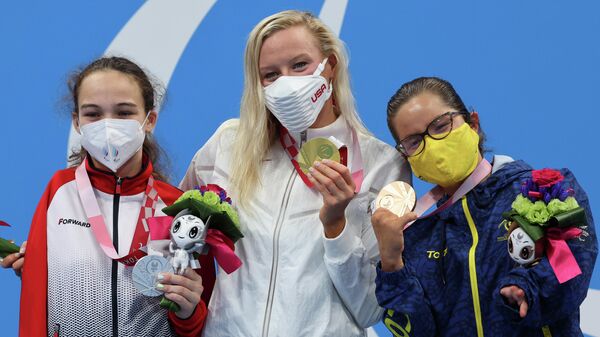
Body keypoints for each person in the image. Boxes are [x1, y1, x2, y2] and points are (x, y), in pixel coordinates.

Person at [179, 10, 411, 336]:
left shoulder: (382, 165)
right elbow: (174, 234)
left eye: (299, 65)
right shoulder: (228, 145)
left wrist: (336, 226)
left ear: (330, 66)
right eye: (271, 74)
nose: (286, 82)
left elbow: (369, 308)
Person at [5, 56, 214, 337]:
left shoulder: (179, 209)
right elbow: (35, 308)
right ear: (77, 122)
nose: (108, 125)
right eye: (93, 114)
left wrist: (188, 311)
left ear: (149, 119)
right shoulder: (59, 192)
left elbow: (205, 323)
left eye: (124, 113)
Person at [372, 76, 597, 336]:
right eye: (414, 142)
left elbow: (573, 264)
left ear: (473, 124)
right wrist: (391, 263)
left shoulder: (545, 190)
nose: (432, 144)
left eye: (440, 125)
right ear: (406, 156)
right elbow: (417, 330)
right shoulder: (417, 237)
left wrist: (528, 288)